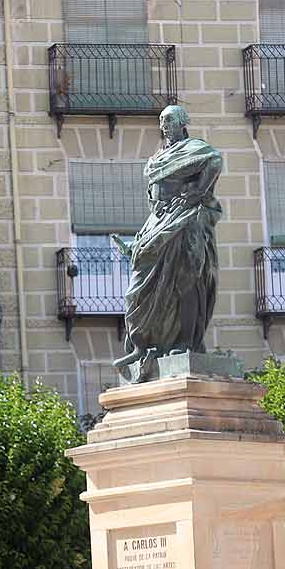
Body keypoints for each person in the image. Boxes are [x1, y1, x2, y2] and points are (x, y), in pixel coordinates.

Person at [112, 103, 224, 384]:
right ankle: (145, 344)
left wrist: (198, 192)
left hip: (183, 219)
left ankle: (183, 343)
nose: (164, 125)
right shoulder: (159, 158)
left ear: (183, 122)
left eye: (169, 119)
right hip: (158, 221)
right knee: (137, 291)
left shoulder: (194, 148)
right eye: (162, 120)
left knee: (184, 283)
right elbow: (153, 197)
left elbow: (215, 160)